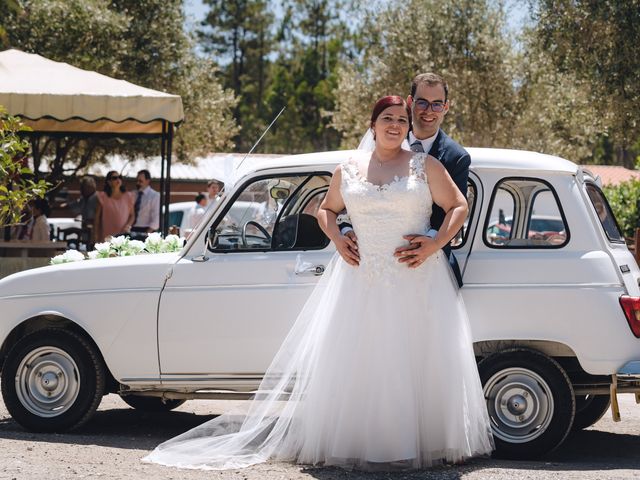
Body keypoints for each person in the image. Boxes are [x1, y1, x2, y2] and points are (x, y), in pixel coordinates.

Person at [144, 96, 493, 471]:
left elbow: (459, 205)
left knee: (413, 358)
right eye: (387, 118)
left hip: (416, 276)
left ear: (409, 127)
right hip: (360, 277)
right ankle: (360, 442)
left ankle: (421, 443)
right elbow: (326, 210)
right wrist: (338, 240)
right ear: (372, 124)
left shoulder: (425, 166)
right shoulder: (348, 168)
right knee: (362, 360)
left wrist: (436, 242)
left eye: (401, 120)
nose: (395, 125)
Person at [342, 72, 470, 287]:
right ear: (410, 102)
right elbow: (355, 193)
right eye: (422, 102)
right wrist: (345, 232)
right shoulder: (386, 134)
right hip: (366, 262)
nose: (429, 111)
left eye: (436, 104)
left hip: (423, 261)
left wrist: (432, 243)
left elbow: (454, 208)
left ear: (445, 108)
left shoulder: (455, 157)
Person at [95, 171, 134, 241]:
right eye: (115, 178)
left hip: (123, 236)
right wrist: (96, 235)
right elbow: (97, 218)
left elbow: (132, 215)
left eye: (119, 177)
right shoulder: (103, 196)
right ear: (109, 182)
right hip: (107, 236)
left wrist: (128, 226)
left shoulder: (128, 196)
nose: (118, 179)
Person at [131, 169, 160, 235]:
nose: (137, 183)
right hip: (132, 229)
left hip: (146, 230)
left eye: (140, 181)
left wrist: (147, 233)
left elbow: (156, 217)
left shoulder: (154, 196)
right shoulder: (133, 194)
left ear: (148, 181)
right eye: (137, 181)